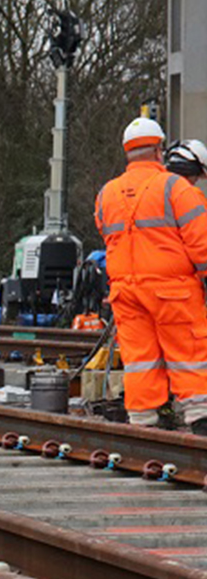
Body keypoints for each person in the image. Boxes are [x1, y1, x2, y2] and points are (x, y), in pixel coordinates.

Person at [96, 118, 207, 432]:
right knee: (189, 352)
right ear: (159, 151)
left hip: (126, 293)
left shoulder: (107, 193)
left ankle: (144, 423)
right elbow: (201, 240)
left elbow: (106, 232)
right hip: (173, 290)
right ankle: (200, 417)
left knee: (140, 358)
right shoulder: (177, 188)